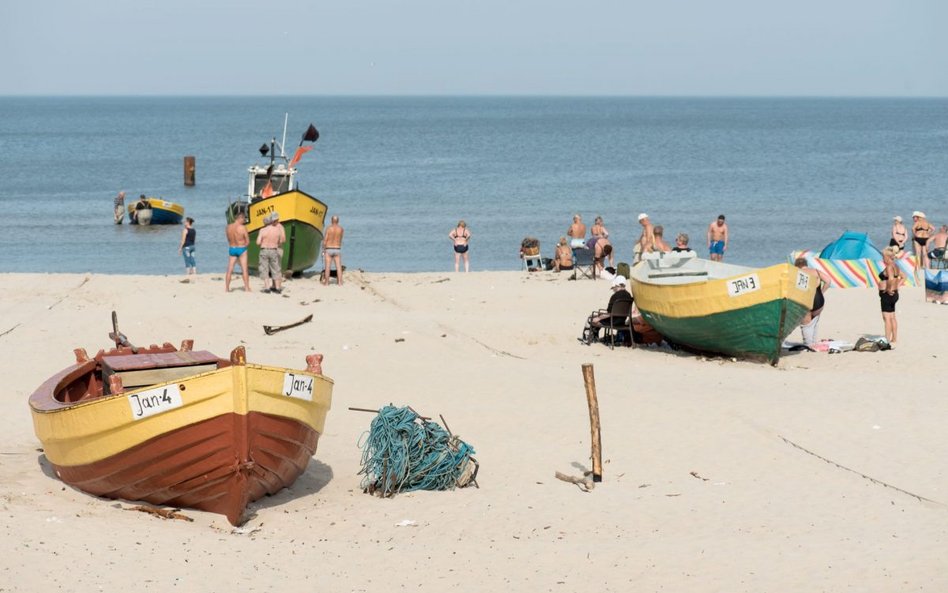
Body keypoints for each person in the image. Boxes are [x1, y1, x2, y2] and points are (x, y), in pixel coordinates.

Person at [581, 275, 634, 344]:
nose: (613, 289)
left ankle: (587, 338)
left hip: (612, 321)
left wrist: (599, 318)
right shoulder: (628, 295)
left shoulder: (615, 296)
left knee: (591, 318)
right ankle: (594, 336)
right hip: (622, 320)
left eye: (614, 287)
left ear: (617, 285)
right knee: (598, 317)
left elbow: (609, 313)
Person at [793, 257, 831, 346]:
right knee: (814, 322)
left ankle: (808, 345)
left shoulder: (796, 273)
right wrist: (822, 292)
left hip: (806, 300)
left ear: (797, 266)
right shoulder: (816, 271)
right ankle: (814, 342)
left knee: (806, 325)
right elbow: (828, 281)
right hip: (819, 300)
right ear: (806, 265)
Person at [878, 246, 903, 347]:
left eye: (883, 257)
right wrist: (897, 286)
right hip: (894, 294)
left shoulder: (889, 267)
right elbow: (904, 276)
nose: (882, 259)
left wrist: (888, 288)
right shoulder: (895, 266)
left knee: (886, 317)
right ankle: (894, 338)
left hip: (887, 295)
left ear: (887, 257)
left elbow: (891, 279)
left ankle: (887, 339)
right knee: (892, 316)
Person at [257, 213, 286, 293]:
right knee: (275, 268)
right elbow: (281, 240)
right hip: (274, 249)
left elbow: (258, 242)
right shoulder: (277, 229)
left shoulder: (264, 230)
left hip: (269, 249)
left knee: (268, 269)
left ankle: (270, 287)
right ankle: (276, 287)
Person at [225, 212, 251, 293]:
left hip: (232, 248)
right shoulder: (243, 227)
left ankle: (227, 288)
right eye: (244, 219)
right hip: (241, 248)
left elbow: (228, 239)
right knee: (244, 269)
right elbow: (247, 241)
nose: (244, 221)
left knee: (230, 269)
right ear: (240, 218)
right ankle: (246, 288)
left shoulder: (228, 227)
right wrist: (244, 247)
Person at [323, 215, 345, 285]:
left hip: (329, 249)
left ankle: (326, 283)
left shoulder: (329, 228)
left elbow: (325, 241)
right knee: (338, 267)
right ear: (338, 221)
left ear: (331, 220)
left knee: (327, 267)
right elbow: (340, 239)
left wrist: (323, 250)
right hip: (337, 249)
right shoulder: (341, 229)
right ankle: (340, 282)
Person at [178, 217, 196, 282]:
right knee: (192, 259)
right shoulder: (194, 230)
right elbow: (194, 239)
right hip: (192, 246)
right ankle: (194, 272)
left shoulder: (185, 230)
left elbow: (183, 240)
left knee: (187, 260)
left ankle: (188, 273)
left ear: (188, 222)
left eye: (185, 222)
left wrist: (180, 248)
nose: (184, 223)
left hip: (186, 247)